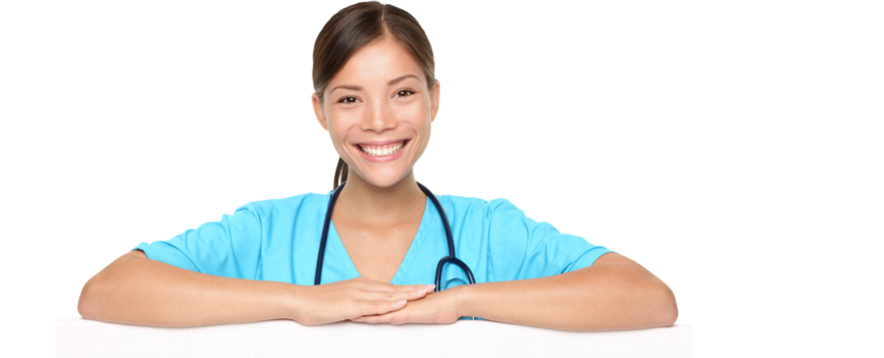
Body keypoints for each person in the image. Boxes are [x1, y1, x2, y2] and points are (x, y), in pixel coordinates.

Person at [76, 0, 679, 330]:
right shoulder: (268, 228)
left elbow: (650, 301)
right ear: (318, 110)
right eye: (349, 98)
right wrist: (297, 301)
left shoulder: (486, 228)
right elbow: (106, 293)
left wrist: (462, 301)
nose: (379, 121)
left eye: (403, 92)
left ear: (436, 99)